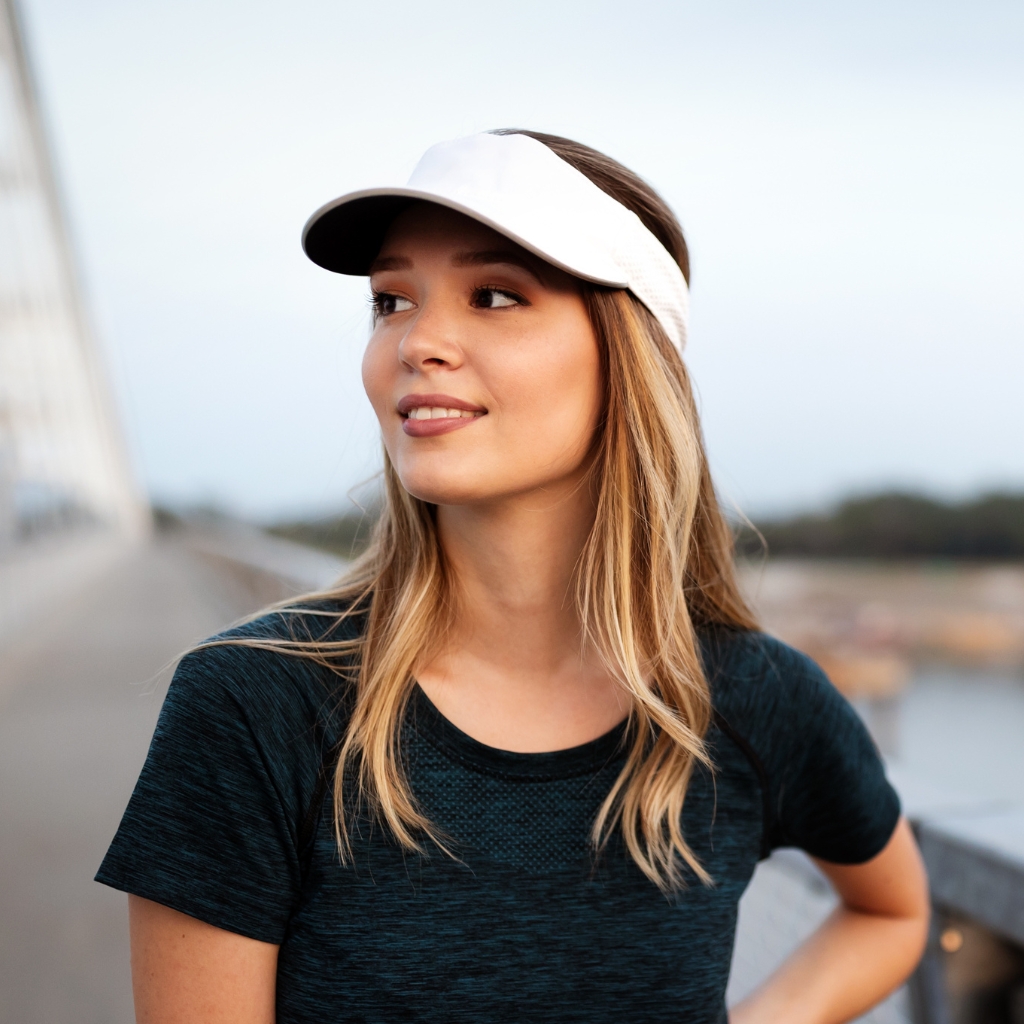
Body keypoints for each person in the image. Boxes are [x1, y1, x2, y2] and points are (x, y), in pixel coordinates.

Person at [97, 130, 929, 1024]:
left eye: (494, 295)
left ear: (629, 357)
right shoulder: (254, 703)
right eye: (390, 300)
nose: (419, 341)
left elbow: (892, 909)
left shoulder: (751, 699)